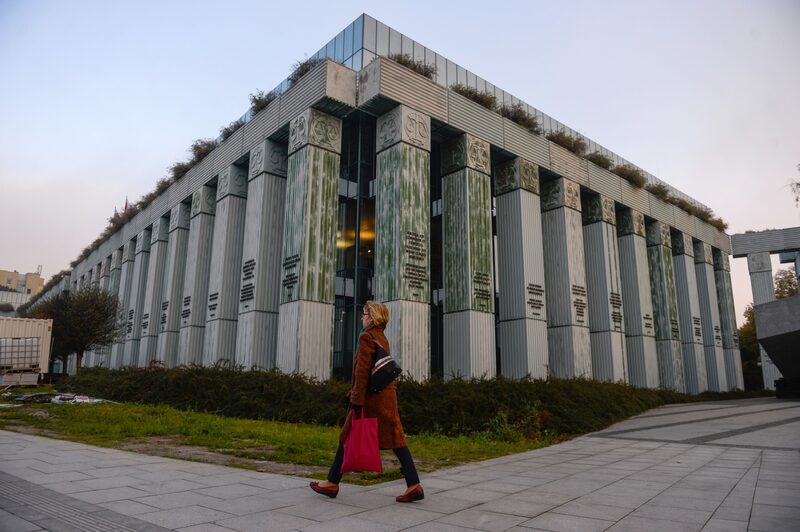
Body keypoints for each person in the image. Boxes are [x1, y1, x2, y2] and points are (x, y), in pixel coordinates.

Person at [310, 300, 424, 503]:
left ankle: (332, 482)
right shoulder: (381, 336)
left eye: (364, 314)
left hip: (371, 399)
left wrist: (356, 399)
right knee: (396, 438)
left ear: (371, 316)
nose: (361, 317)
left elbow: (362, 372)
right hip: (387, 396)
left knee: (348, 434)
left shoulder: (366, 336)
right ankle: (413, 485)